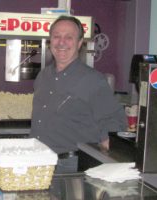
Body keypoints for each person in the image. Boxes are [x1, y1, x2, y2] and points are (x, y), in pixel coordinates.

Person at [30, 16, 127, 173]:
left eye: (69, 37)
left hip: (70, 167)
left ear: (80, 43)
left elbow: (116, 123)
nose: (61, 42)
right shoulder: (43, 76)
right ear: (50, 41)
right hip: (37, 162)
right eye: (56, 36)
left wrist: (104, 164)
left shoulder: (93, 80)